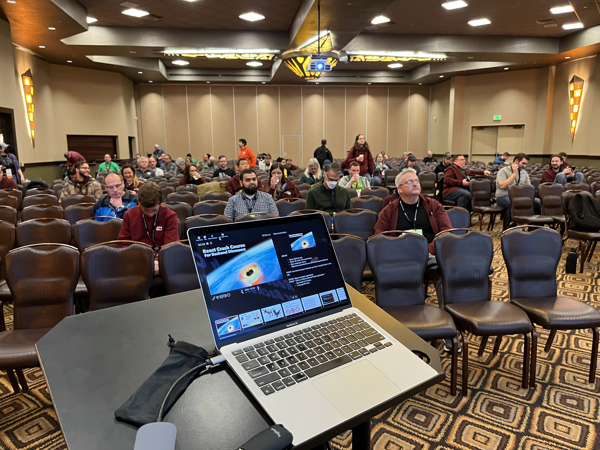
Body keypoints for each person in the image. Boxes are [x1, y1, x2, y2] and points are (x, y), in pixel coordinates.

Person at [374, 168, 453, 347]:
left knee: (443, 270)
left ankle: (447, 328)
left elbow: (446, 233)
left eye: (416, 180)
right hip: (400, 257)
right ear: (399, 189)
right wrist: (401, 249)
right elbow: (378, 236)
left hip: (428, 254)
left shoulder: (433, 205)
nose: (415, 183)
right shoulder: (390, 208)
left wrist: (426, 249)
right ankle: (392, 330)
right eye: (410, 181)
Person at [118, 182, 180, 297]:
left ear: (160, 204)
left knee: (159, 284)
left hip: (161, 264)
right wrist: (146, 260)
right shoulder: (129, 215)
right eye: (146, 210)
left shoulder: (170, 216)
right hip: (137, 260)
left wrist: (157, 259)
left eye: (154, 210)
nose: (150, 214)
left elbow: (170, 246)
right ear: (139, 203)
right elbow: (123, 244)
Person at [495, 153, 541, 225]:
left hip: (520, 197)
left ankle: (536, 227)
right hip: (503, 196)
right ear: (516, 161)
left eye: (525, 164)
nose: (524, 166)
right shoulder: (503, 171)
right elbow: (502, 186)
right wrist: (514, 174)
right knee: (513, 203)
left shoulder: (524, 173)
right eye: (523, 163)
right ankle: (511, 228)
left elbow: (529, 188)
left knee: (538, 202)